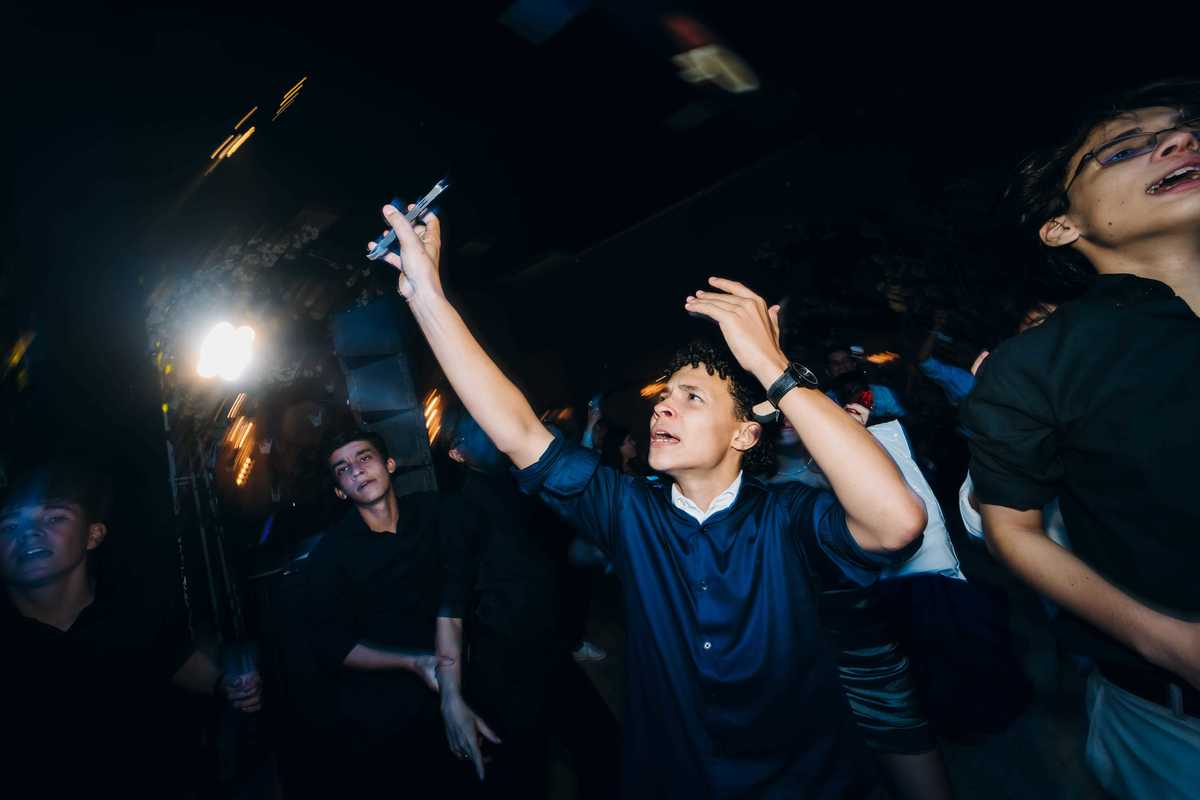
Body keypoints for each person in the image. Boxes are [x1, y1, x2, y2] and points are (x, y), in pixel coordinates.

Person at [369, 203, 927, 797]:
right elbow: (518, 432)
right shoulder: (630, 509)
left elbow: (897, 522)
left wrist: (770, 364)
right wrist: (427, 297)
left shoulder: (787, 516)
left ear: (744, 434)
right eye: (666, 395)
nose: (663, 407)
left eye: (692, 398)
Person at [960, 79, 1200, 799]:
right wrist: (1169, 643)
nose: (1181, 140)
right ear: (1063, 227)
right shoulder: (1040, 364)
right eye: (1124, 150)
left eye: (1187, 128)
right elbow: (1009, 526)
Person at [0, 459, 262, 797]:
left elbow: (211, 678)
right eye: (9, 525)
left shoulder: (136, 621)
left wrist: (239, 686)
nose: (28, 532)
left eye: (54, 518)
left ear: (93, 535)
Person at [443, 407, 621, 798]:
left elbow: (553, 549)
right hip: (506, 666)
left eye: (485, 423)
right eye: (474, 431)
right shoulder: (460, 511)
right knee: (525, 773)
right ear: (457, 453)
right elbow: (450, 606)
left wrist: (593, 552)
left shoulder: (516, 482)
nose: (487, 433)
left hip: (548, 649)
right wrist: (450, 696)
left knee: (603, 749)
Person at [304, 429, 487, 791]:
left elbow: (455, 596)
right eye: (343, 469)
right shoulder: (330, 556)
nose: (356, 470)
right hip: (387, 704)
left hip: (458, 670)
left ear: (389, 465)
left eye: (364, 458)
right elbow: (331, 644)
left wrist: (451, 687)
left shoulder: (434, 511)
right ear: (340, 491)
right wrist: (412, 662)